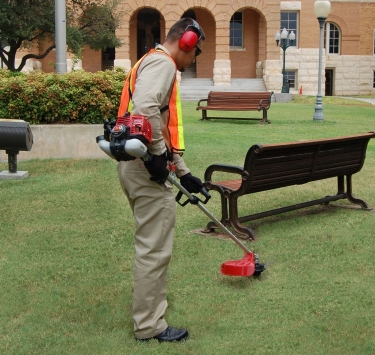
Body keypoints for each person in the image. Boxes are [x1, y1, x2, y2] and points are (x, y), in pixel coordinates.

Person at [116, 18, 206, 342]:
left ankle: (149, 315)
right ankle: (149, 326)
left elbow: (157, 125)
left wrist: (184, 172)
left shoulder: (148, 61)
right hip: (143, 169)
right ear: (186, 41)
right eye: (195, 50)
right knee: (153, 251)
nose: (194, 58)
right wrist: (155, 155)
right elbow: (145, 107)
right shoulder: (164, 63)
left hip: (133, 166)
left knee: (150, 246)